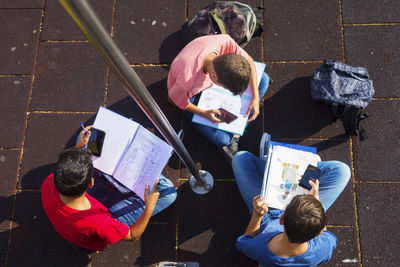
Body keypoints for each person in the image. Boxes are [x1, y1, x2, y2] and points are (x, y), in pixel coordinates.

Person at [41, 126, 177, 251]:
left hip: (86, 207)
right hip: (101, 216)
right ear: (90, 183)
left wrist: (79, 147)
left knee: (87, 149)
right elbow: (132, 236)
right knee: (168, 192)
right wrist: (149, 208)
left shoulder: (49, 182)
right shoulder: (99, 223)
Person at [232, 133, 351, 266]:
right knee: (342, 171)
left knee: (241, 158)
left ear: (282, 219)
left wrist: (257, 215)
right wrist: (315, 202)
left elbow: (244, 241)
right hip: (305, 218)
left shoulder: (262, 247)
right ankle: (283, 162)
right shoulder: (323, 249)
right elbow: (329, 238)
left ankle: (270, 160)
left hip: (266, 211)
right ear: (318, 233)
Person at [167, 34, 271, 158]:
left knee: (264, 79)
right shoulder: (186, 81)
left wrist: (255, 97)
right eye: (225, 88)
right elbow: (172, 99)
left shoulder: (224, 41)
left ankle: (236, 133)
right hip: (192, 95)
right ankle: (235, 134)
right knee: (223, 140)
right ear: (214, 78)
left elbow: (248, 61)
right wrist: (203, 113)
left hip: (206, 82)